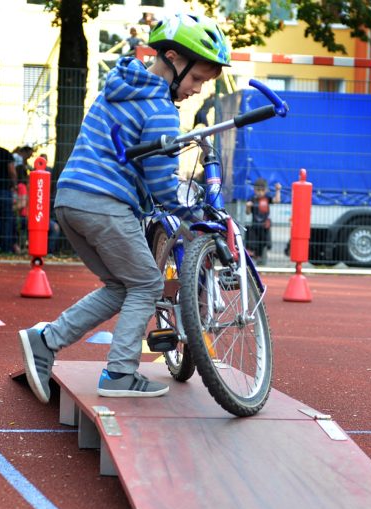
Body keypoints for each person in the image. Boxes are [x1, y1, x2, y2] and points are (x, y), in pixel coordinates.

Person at [18, 12, 232, 403]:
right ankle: (119, 373)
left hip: (71, 200)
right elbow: (164, 186)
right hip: (106, 203)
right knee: (148, 283)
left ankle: (46, 340)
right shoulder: (161, 109)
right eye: (197, 78)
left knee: (122, 284)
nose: (197, 90)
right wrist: (196, 212)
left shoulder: (119, 85)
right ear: (172, 58)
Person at [245, 177, 281, 264]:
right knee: (250, 233)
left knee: (263, 243)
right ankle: (252, 252)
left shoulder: (267, 198)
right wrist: (248, 206)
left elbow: (277, 200)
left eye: (262, 190)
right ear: (254, 190)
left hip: (264, 226)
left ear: (266, 190)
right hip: (255, 225)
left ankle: (260, 257)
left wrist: (277, 190)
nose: (260, 192)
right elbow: (248, 213)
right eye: (258, 190)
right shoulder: (252, 199)